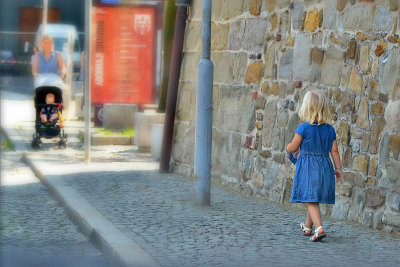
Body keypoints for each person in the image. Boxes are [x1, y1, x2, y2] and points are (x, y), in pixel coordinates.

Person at [286, 90, 342, 242]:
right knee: (313, 198)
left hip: (309, 168)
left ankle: (319, 229)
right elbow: (335, 151)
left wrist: (288, 146)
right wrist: (338, 169)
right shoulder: (330, 130)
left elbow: (293, 147)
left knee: (311, 199)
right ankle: (308, 227)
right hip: (325, 167)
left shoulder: (303, 128)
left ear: (306, 108)